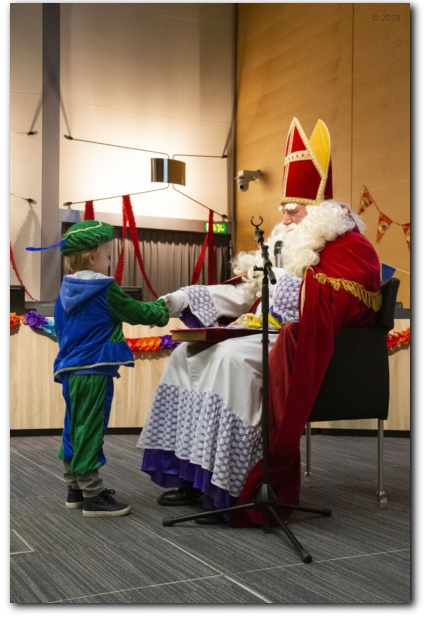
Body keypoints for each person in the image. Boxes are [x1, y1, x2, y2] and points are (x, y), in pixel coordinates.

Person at [136, 117, 382, 526]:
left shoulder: (350, 245)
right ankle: (193, 476)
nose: (284, 215)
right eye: (283, 207)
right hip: (261, 330)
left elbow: (345, 302)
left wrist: (287, 291)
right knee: (185, 356)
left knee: (229, 361)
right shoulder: (286, 242)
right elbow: (247, 291)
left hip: (299, 339)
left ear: (319, 211)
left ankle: (231, 487)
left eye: (294, 209)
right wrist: (185, 298)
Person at [52, 220, 169, 517]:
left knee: (74, 426)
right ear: (92, 257)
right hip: (95, 369)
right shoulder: (105, 289)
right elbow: (137, 311)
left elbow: (63, 330)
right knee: (91, 428)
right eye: (108, 256)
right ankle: (93, 495)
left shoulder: (65, 289)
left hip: (70, 370)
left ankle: (75, 488)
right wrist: (163, 309)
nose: (110, 262)